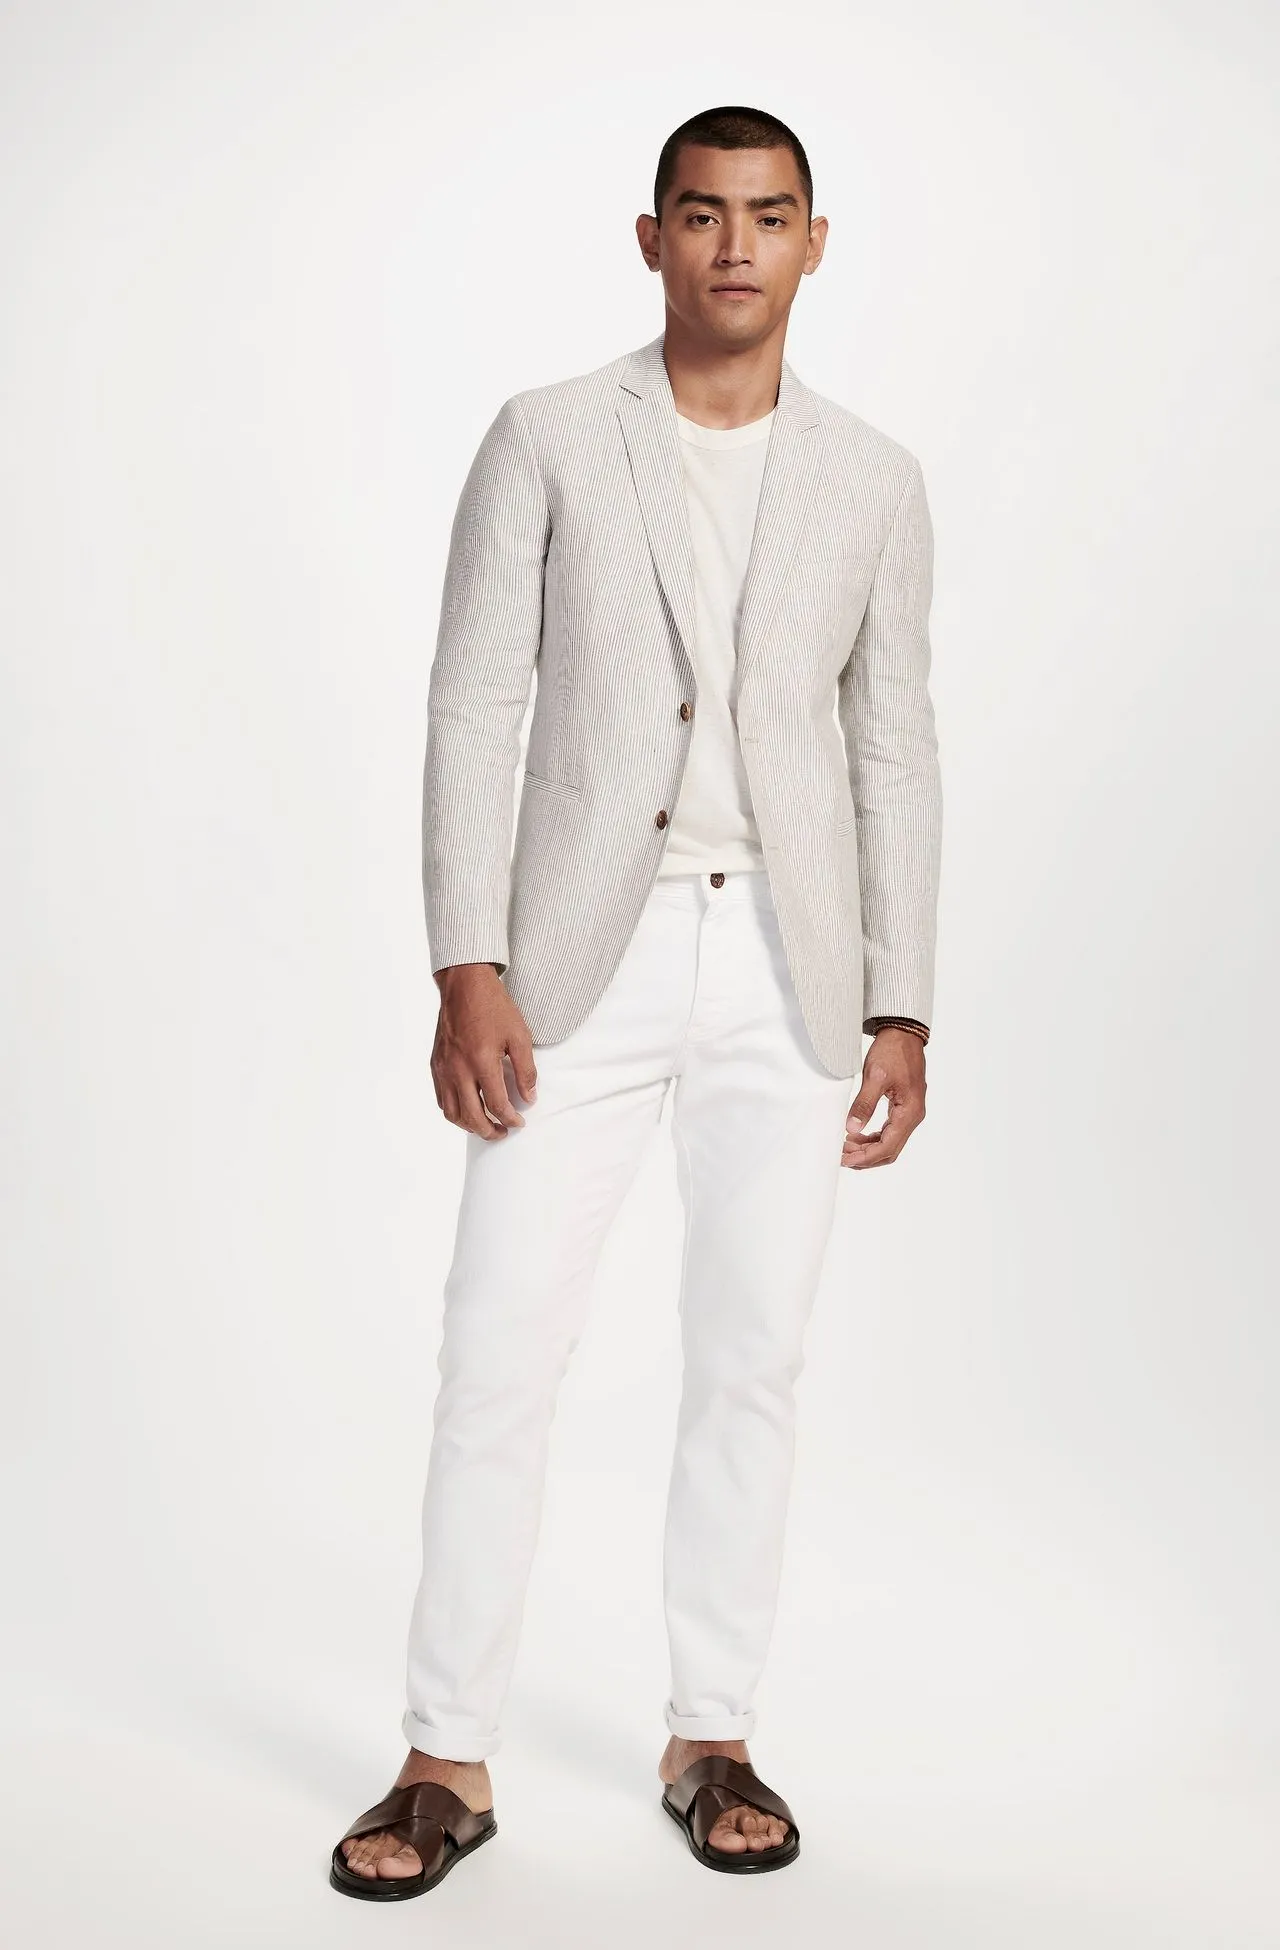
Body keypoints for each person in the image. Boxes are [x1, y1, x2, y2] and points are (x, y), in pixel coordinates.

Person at [330, 102, 942, 1899]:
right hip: (576, 966)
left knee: (751, 1361)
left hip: (791, 967)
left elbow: (893, 743)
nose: (735, 243)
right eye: (702, 212)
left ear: (814, 243)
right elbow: (473, 703)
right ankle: (445, 1754)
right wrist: (468, 962)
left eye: (769, 214)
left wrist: (903, 999)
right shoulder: (545, 436)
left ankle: (712, 1731)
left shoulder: (876, 478)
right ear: (652, 236)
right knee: (498, 1354)